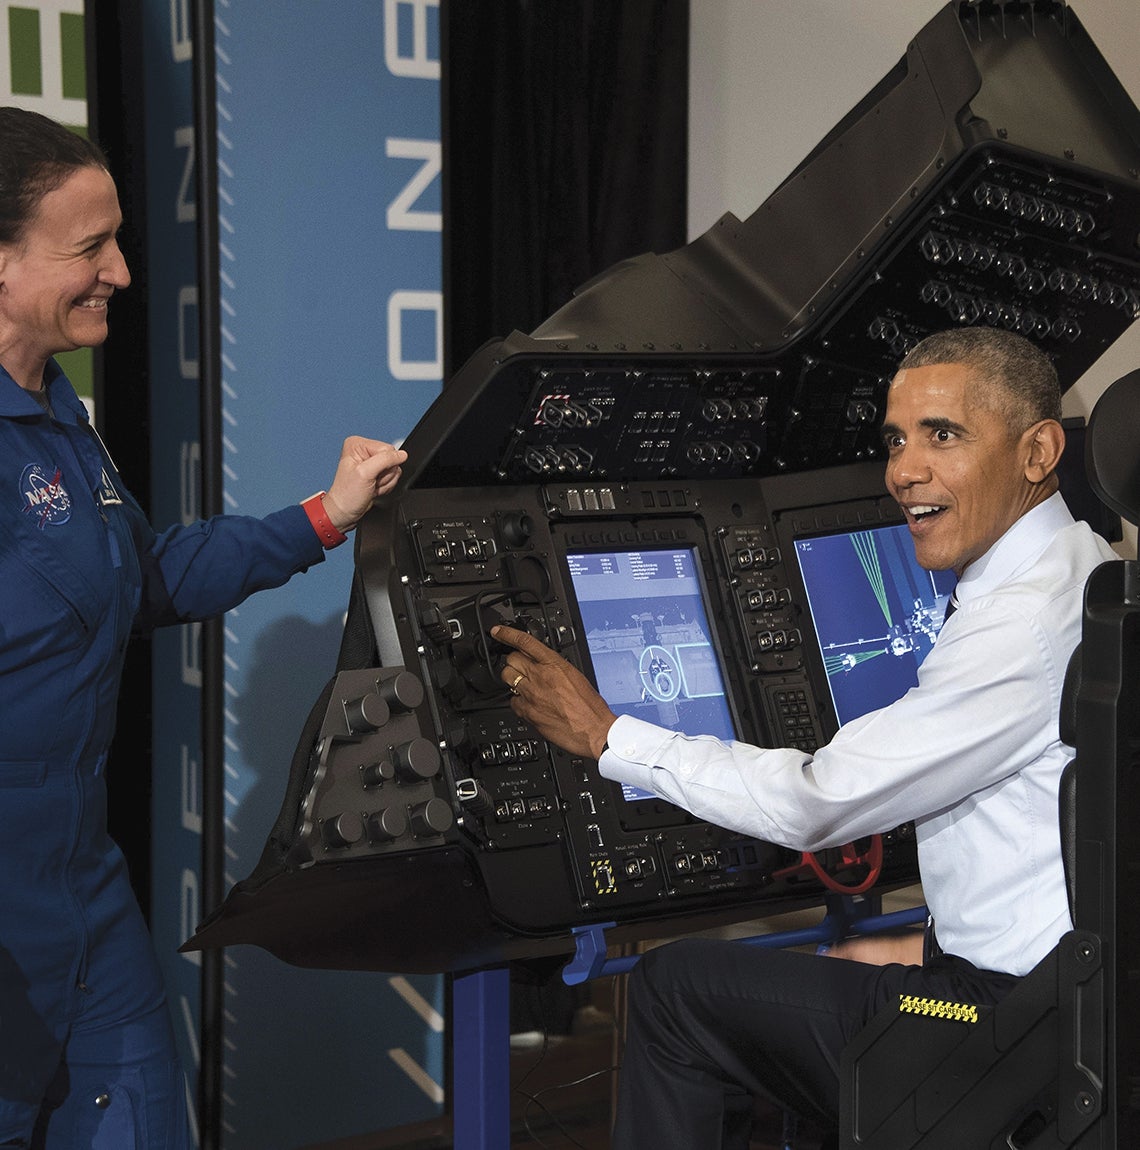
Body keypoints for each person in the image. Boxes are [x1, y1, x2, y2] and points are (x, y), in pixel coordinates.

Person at [492, 325, 1118, 1148]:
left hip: (999, 1030)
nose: (905, 471)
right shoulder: (1090, 562)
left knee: (674, 989)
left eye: (944, 435)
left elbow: (818, 803)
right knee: (818, 990)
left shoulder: (1020, 626)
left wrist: (611, 737)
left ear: (1038, 451)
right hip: (1066, 1005)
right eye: (896, 439)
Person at [0, 106, 406, 1148]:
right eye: (89, 248)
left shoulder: (54, 415)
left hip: (84, 901)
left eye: (119, 239)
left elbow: (142, 579)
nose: (123, 273)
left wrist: (325, 515)